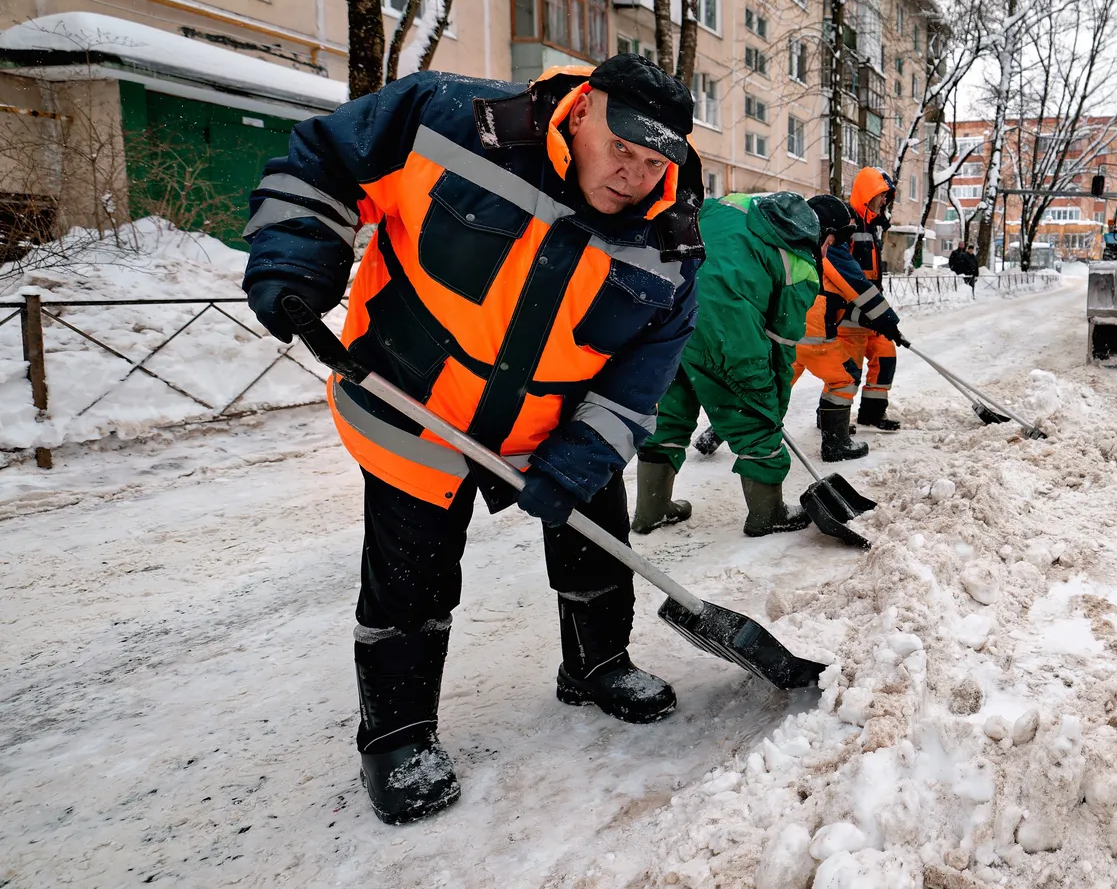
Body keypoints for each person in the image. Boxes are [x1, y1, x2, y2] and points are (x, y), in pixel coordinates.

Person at [242, 55, 702, 826]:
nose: (633, 175)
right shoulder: (450, 119)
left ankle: (597, 664)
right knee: (411, 582)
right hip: (414, 407)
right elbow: (323, 160)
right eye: (620, 148)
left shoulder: (671, 242)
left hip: (557, 426)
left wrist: (580, 460)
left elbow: (637, 381)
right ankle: (397, 737)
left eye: (654, 162)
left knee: (596, 544)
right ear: (581, 110)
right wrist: (295, 255)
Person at [631, 191, 821, 537]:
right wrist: (772, 409)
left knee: (668, 413)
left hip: (669, 314)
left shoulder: (728, 207)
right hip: (727, 335)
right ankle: (767, 514)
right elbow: (782, 344)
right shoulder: (799, 266)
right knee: (755, 422)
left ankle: (652, 509)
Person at [792, 194, 910, 461]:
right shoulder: (826, 251)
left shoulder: (795, 246)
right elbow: (854, 286)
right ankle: (836, 444)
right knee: (844, 378)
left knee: (774, 382)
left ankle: (719, 433)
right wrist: (887, 321)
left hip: (791, 328)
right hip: (815, 330)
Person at [843, 167, 902, 432]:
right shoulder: (848, 223)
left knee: (885, 355)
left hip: (872, 311)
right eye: (882, 196)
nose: (884, 201)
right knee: (848, 370)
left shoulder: (872, 226)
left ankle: (872, 413)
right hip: (849, 314)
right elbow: (845, 274)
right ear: (869, 193)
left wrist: (879, 311)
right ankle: (832, 417)